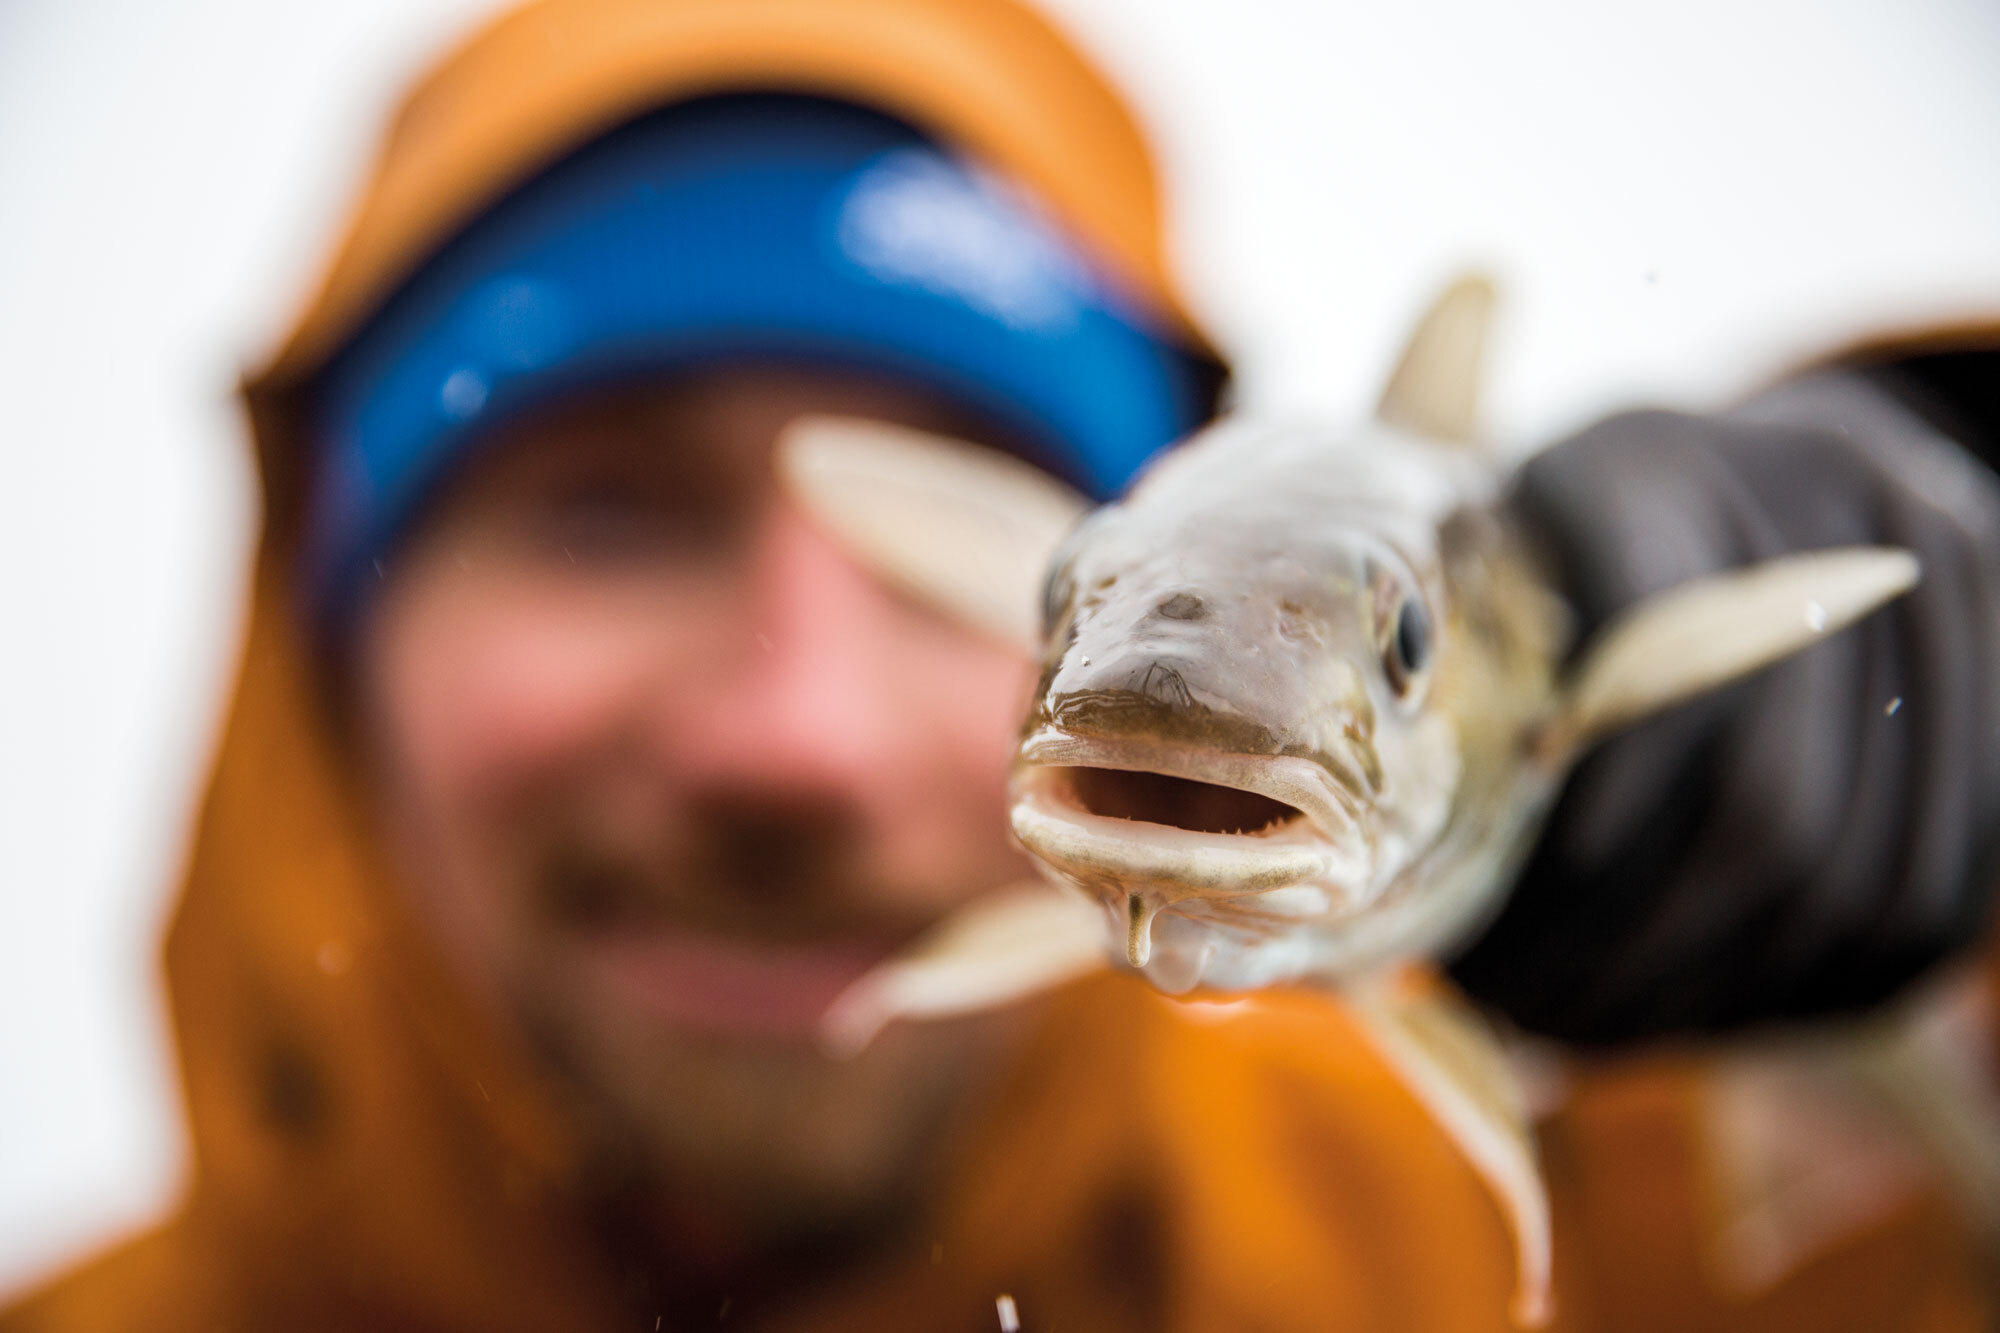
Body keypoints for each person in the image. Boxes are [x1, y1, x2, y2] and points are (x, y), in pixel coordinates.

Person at [4, 0, 1995, 1329]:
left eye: (944, 554)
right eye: (606, 515)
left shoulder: (1632, 1258)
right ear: (323, 633)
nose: (795, 736)